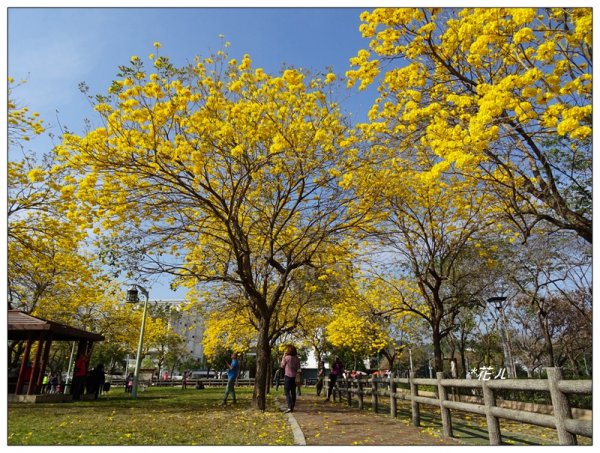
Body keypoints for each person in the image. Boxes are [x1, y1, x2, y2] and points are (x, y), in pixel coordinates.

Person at [280, 345, 301, 413]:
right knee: (293, 392)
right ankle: (292, 406)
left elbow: (282, 365)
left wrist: (283, 356)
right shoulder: (297, 358)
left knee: (286, 391)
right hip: (294, 377)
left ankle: (289, 406)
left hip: (288, 376)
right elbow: (299, 369)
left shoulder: (286, 358)